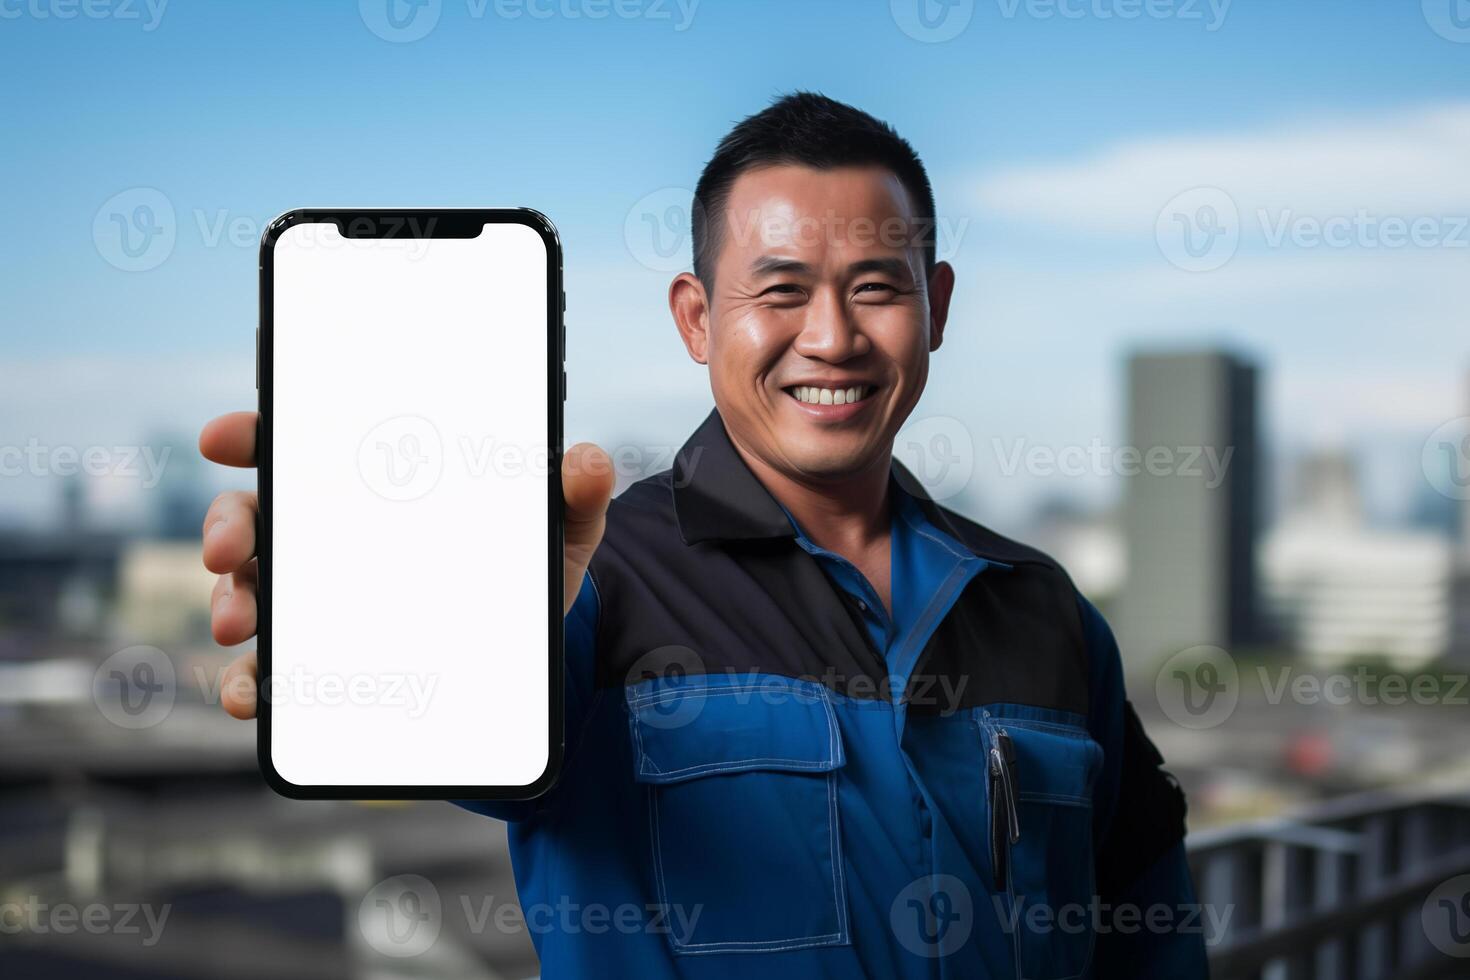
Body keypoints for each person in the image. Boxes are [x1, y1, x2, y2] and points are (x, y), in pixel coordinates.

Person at [201, 92, 1209, 979]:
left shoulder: (1042, 607)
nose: (832, 337)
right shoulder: (593, 587)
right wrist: (373, 604)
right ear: (695, 318)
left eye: (876, 286)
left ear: (934, 306)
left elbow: (1145, 916)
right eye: (780, 290)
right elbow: (446, 720)